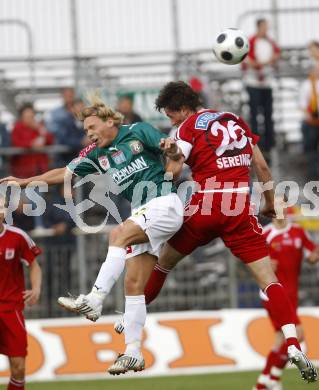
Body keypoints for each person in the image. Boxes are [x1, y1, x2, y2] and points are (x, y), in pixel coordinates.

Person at [115, 81, 317, 384]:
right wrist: (270, 204)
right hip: (240, 207)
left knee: (163, 262)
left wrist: (157, 177)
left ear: (183, 109)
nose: (171, 122)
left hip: (207, 204)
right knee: (269, 281)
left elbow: (175, 170)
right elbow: (261, 167)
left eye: (171, 115)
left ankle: (128, 321)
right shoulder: (234, 121)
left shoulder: (186, 129)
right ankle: (292, 343)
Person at [0, 93, 184, 375]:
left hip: (163, 204)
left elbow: (172, 151)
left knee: (117, 235)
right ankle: (133, 351)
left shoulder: (137, 131)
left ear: (110, 121)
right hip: (143, 213)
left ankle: (94, 299)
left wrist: (170, 151)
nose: (89, 135)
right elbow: (64, 172)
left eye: (92, 128)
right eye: (85, 131)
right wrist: (25, 181)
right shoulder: (95, 154)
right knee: (133, 285)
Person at [253, 196, 319, 390]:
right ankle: (267, 380)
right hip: (273, 294)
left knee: (281, 339)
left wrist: (314, 256)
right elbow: (254, 264)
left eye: (283, 205)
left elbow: (312, 254)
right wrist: (266, 266)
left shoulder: (299, 232)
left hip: (292, 293)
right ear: (271, 210)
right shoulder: (265, 235)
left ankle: (268, 381)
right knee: (296, 334)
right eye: (276, 205)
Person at [0, 196, 42, 390]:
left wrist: (36, 289)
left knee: (18, 368)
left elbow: (33, 265)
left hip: (11, 310)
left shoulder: (18, 236)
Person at [242, 18, 280, 163]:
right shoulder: (251, 41)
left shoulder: (269, 42)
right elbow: (249, 61)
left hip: (266, 84)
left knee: (268, 114)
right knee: (255, 114)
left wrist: (266, 63)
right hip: (253, 84)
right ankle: (256, 144)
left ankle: (269, 144)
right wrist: (263, 63)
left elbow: (276, 54)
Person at [11, 103, 54, 178]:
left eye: (31, 116)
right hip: (23, 169)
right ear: (22, 117)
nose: (30, 118)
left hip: (40, 167)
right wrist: (31, 144)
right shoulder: (17, 127)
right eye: (27, 116)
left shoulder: (38, 127)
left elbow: (50, 140)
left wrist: (40, 129)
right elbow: (15, 142)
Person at [47, 88, 88, 166]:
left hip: (79, 161)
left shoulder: (86, 121)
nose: (80, 109)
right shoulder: (64, 121)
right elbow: (64, 139)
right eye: (78, 107)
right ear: (72, 109)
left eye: (82, 107)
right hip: (65, 161)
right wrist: (81, 142)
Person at [299, 41, 319, 181]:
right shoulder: (307, 85)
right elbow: (302, 103)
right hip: (312, 120)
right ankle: (312, 174)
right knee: (311, 148)